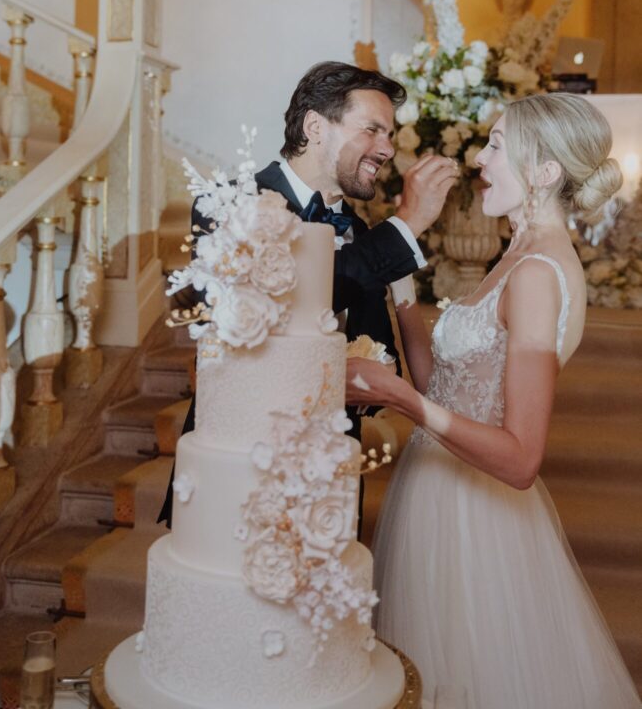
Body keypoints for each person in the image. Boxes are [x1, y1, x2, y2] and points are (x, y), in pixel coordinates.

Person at [346, 92, 641, 709]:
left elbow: (519, 459)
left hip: (477, 522)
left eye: (499, 146)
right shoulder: (517, 255)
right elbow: (445, 387)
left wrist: (404, 402)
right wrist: (403, 293)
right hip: (436, 492)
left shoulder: (537, 275)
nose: (481, 158)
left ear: (546, 171)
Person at [157, 60, 458, 527]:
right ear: (316, 126)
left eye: (390, 135)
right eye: (373, 130)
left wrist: (370, 377)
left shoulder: (361, 234)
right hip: (241, 475)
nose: (386, 149)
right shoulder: (232, 203)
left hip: (328, 491)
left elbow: (380, 360)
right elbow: (281, 305)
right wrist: (406, 227)